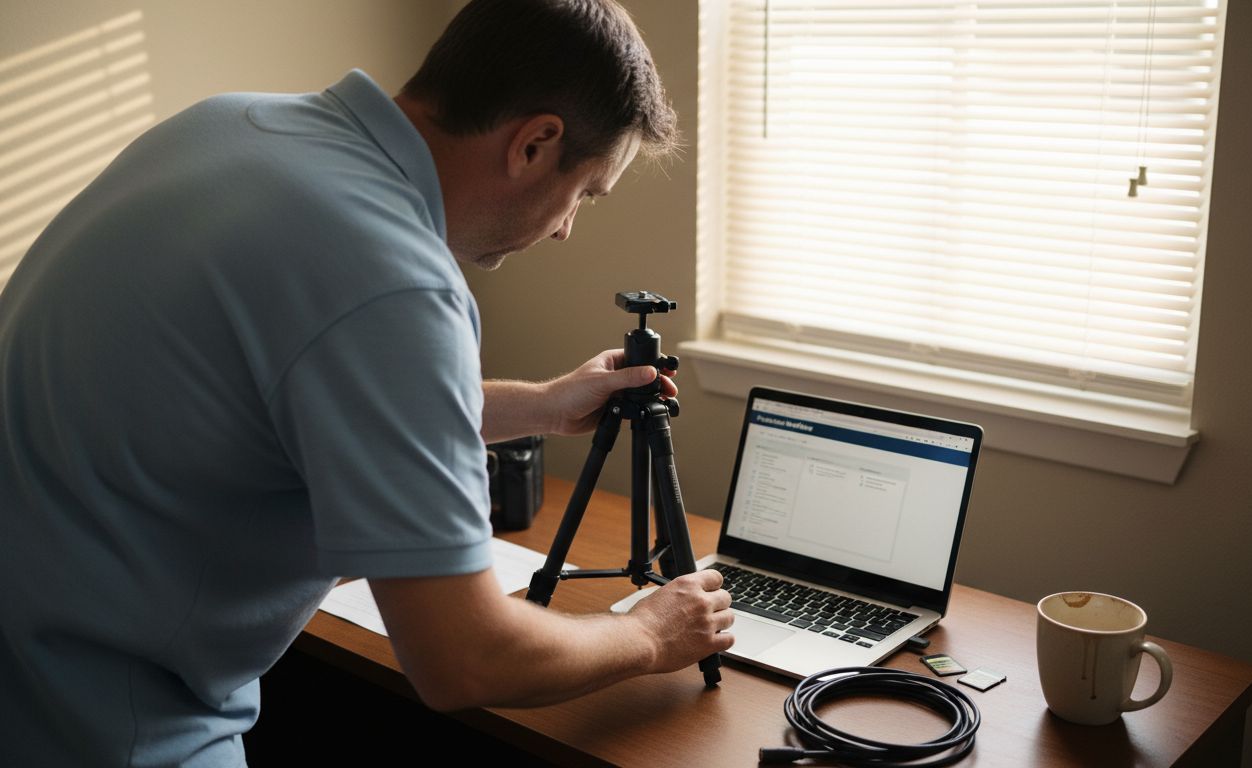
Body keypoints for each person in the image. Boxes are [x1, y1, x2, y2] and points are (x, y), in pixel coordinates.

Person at [0, 1, 734, 765]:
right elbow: (464, 658)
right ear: (535, 143)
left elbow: (288, 390)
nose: (565, 228)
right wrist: (650, 634)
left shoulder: (233, 127)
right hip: (103, 720)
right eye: (585, 193)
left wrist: (544, 407)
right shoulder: (395, 279)